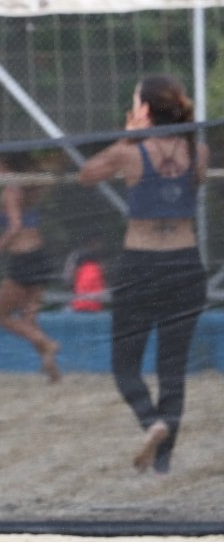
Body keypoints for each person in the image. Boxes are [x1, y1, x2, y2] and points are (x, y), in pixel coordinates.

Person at [77, 74, 209, 473]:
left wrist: (127, 137)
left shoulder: (130, 150)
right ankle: (163, 467)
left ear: (145, 110)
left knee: (125, 366)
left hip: (141, 264)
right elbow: (194, 183)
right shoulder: (197, 149)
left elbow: (87, 174)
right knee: (173, 369)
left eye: (136, 101)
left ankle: (152, 423)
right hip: (185, 265)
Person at [0, 151, 62, 382]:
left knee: (2, 316)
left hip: (24, 259)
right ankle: (50, 366)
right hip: (41, 256)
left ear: (6, 166)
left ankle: (47, 344)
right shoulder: (28, 187)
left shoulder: (11, 191)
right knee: (29, 318)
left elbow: (14, 227)